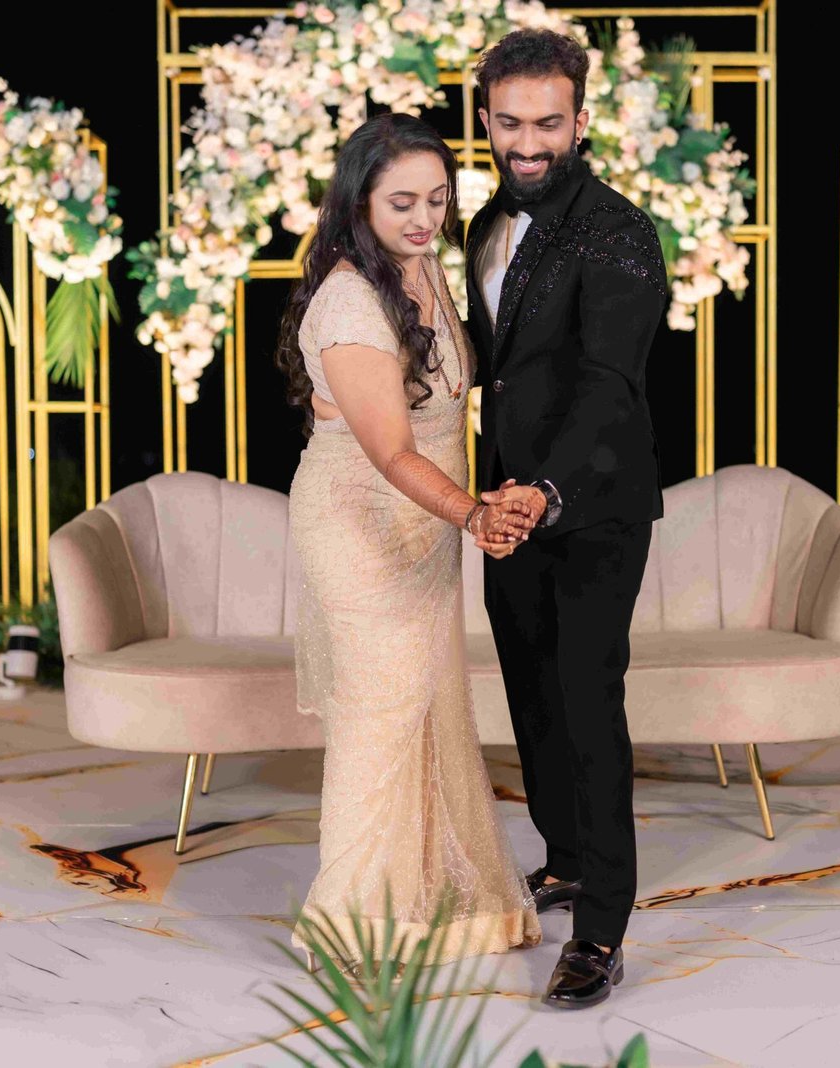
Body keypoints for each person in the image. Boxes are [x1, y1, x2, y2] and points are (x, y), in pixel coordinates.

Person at [276, 112, 542, 969]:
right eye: (402, 203)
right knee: (378, 714)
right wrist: (473, 515)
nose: (425, 218)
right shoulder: (352, 302)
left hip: (423, 522)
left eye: (437, 198)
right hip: (360, 520)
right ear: (359, 203)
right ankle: (346, 927)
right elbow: (391, 451)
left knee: (428, 706)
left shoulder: (421, 268)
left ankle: (428, 909)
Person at [465, 28, 667, 1009]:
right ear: (486, 120)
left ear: (580, 121)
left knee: (587, 700)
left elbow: (607, 383)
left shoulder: (620, 229)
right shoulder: (481, 225)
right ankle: (567, 857)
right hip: (506, 504)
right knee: (531, 690)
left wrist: (545, 489)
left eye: (548, 123)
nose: (528, 142)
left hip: (592, 505)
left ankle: (602, 929)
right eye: (510, 123)